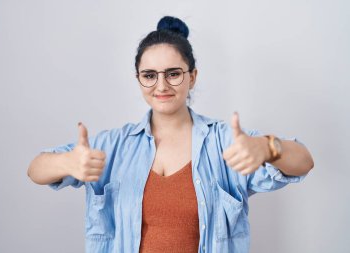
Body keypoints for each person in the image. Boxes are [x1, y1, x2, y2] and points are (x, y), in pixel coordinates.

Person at [27, 16, 314, 253]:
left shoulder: (224, 142)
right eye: (149, 75)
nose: (161, 85)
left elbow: (303, 162)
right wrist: (67, 164)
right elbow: (36, 169)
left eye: (173, 73)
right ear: (138, 79)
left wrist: (267, 148)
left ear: (193, 76)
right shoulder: (112, 145)